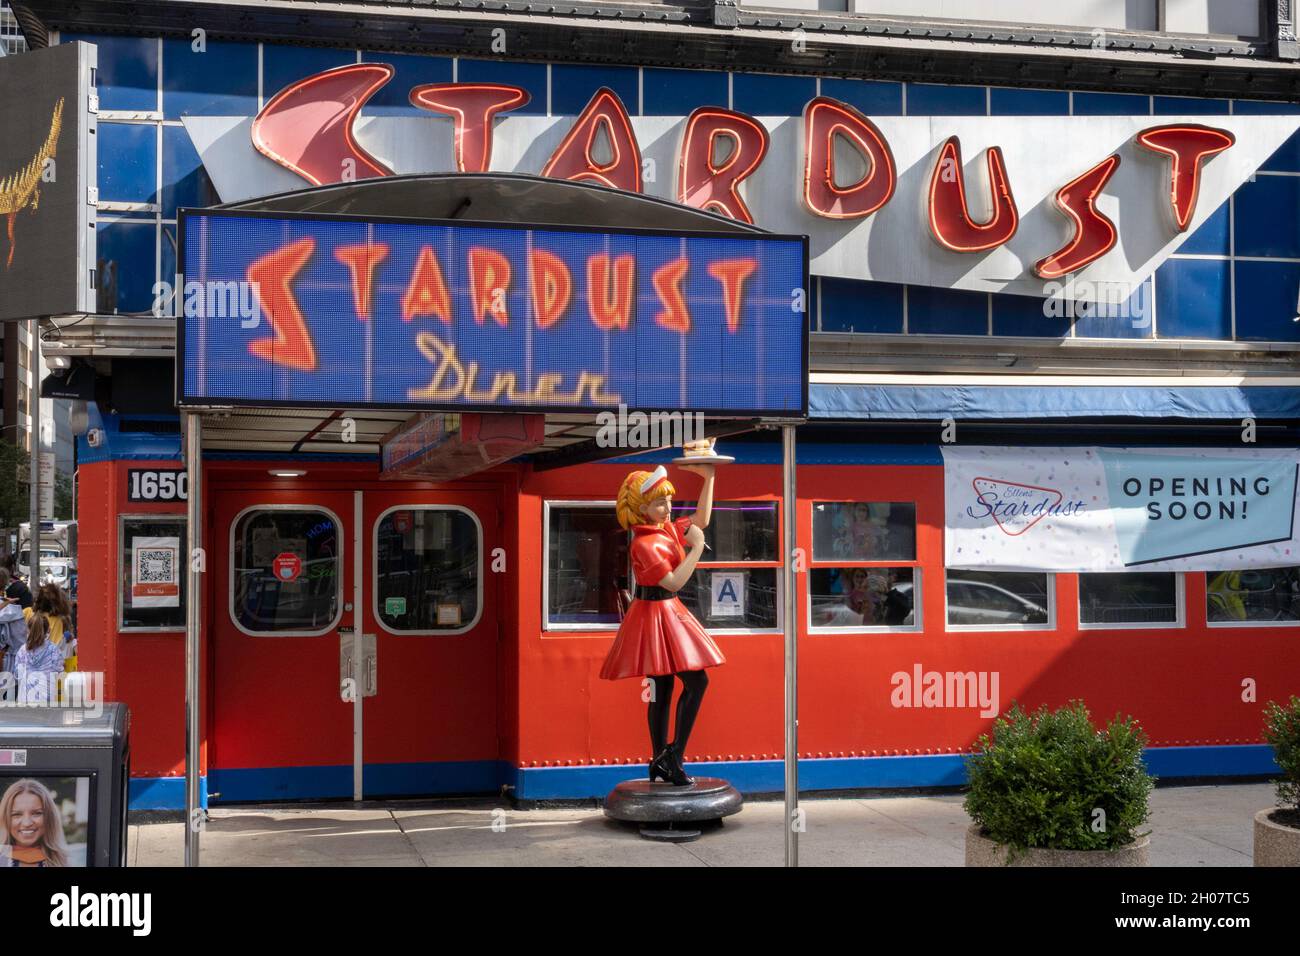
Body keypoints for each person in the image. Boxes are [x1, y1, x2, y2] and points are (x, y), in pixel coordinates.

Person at [599, 463, 724, 787]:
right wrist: (696, 549)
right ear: (642, 509)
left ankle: (663, 758)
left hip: (660, 613)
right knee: (691, 683)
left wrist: (708, 478)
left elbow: (701, 520)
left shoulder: (662, 529)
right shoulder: (644, 543)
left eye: (668, 501)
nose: (668, 508)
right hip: (657, 610)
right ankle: (671, 756)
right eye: (660, 503)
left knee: (663, 688)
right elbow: (672, 583)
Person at [1, 778, 70, 867]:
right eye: (16, 814)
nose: (27, 823)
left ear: (49, 817)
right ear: (5, 819)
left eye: (37, 813)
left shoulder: (63, 861)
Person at [14, 612, 64, 704]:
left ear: (28, 630)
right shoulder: (53, 650)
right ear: (48, 630)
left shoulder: (22, 650)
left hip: (25, 698)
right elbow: (59, 672)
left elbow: (18, 674)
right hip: (47, 699)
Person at [24, 583, 71, 649]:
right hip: (52, 657)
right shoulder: (61, 620)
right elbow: (66, 640)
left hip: (28, 654)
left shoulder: (27, 612)